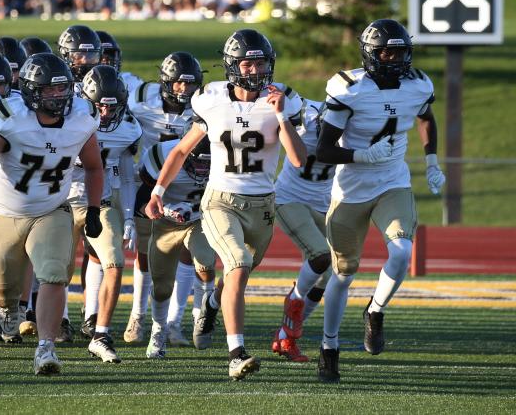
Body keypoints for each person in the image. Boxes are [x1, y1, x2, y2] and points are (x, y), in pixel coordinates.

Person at [144, 29, 307, 380]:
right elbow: (181, 150)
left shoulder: (282, 100)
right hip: (220, 200)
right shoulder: (211, 98)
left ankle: (211, 304)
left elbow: (297, 159)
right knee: (237, 262)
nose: (254, 69)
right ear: (233, 66)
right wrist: (158, 190)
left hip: (262, 204)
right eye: (247, 62)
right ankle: (237, 353)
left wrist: (280, 116)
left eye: (260, 62)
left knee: (240, 273)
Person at [315, 19, 443, 383]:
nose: (394, 59)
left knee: (402, 251)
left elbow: (426, 118)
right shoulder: (350, 89)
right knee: (342, 274)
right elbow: (324, 150)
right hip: (351, 189)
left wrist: (431, 159)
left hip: (392, 182)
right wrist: (361, 156)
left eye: (401, 52)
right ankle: (329, 347)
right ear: (371, 54)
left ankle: (375, 310)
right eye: (387, 52)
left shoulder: (417, 84)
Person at [0, 53, 102, 375]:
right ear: (29, 91)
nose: (59, 96)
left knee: (53, 275)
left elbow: (95, 168)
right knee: (3, 292)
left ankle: (46, 348)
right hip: (3, 212)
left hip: (51, 208)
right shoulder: (10, 117)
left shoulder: (83, 116)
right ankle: (8, 309)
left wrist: (94, 209)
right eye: (50, 90)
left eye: (63, 88)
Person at [123, 52, 201, 344]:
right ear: (165, 82)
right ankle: (137, 316)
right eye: (178, 83)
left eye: (190, 84)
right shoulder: (141, 99)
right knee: (145, 254)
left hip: (189, 186)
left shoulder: (204, 105)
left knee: (187, 251)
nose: (184, 89)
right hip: (148, 183)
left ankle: (174, 322)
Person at [70, 65, 140, 364]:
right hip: (62, 201)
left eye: (111, 107)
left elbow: (126, 175)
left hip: (103, 201)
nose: (106, 113)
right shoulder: (67, 117)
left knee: (114, 263)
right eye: (99, 106)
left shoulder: (128, 128)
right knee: (55, 272)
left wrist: (128, 217)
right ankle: (53, 325)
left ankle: (100, 334)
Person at [270, 98, 335, 362]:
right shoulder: (305, 116)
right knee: (320, 256)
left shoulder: (355, 131)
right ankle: (294, 301)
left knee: (328, 273)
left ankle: (286, 336)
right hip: (289, 198)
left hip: (323, 204)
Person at [138, 137, 213, 359]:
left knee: (206, 262)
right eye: (198, 162)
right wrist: (164, 210)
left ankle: (202, 319)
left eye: (207, 164)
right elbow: (142, 201)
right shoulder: (163, 157)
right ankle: (159, 330)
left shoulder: (224, 160)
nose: (202, 169)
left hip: (201, 220)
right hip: (166, 224)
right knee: (161, 286)